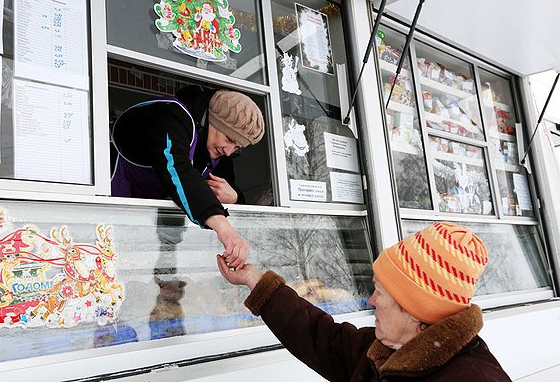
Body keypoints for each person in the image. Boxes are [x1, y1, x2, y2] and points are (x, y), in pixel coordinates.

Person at [217, 221, 511, 381]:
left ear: (413, 310)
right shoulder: (385, 350)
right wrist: (255, 280)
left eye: (380, 293)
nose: (371, 301)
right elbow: (321, 337)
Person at [111, 85, 264, 269]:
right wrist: (224, 229)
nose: (229, 151)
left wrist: (235, 198)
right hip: (113, 202)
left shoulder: (219, 154)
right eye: (229, 139)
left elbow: (228, 190)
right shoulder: (171, 114)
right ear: (211, 122)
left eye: (237, 147)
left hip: (152, 233)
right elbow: (177, 169)